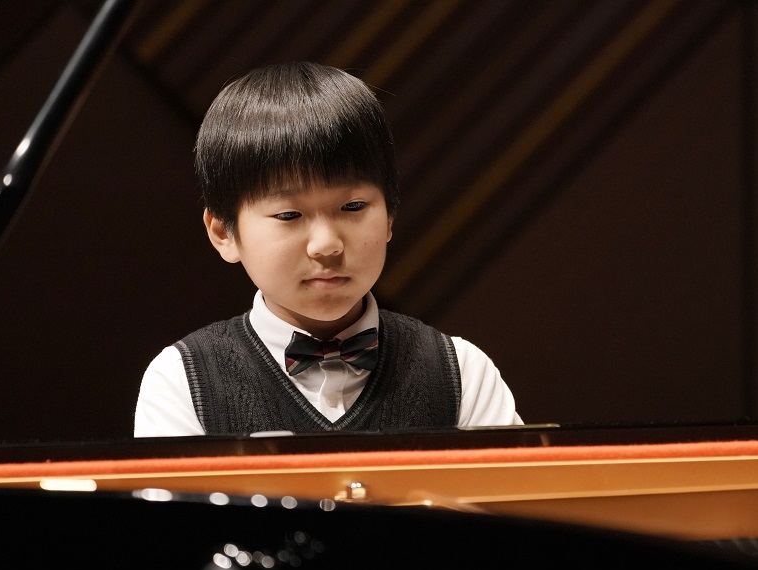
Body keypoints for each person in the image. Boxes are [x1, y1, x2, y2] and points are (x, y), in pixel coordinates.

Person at [134, 61, 522, 437]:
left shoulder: (462, 372)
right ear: (224, 233)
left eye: (352, 207)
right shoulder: (181, 381)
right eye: (289, 215)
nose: (326, 245)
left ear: (389, 216)